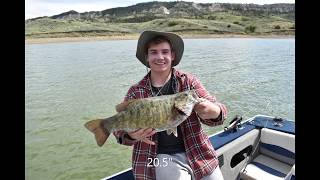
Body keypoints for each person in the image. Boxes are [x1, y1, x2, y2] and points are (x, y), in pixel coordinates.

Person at [113, 31, 228, 180]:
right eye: (153, 52)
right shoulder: (136, 91)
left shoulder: (188, 83)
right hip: (158, 158)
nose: (160, 57)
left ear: (172, 55)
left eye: (165, 52)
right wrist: (131, 135)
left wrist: (214, 111)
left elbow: (221, 113)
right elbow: (119, 132)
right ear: (147, 57)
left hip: (198, 152)